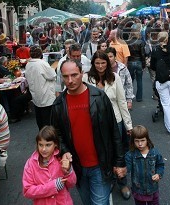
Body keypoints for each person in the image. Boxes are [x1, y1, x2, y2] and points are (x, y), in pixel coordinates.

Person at [50, 60, 126, 205]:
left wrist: (120, 162)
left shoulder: (99, 97)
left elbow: (113, 131)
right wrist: (64, 151)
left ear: (82, 74)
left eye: (74, 75)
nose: (70, 80)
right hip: (77, 167)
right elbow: (57, 135)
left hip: (100, 165)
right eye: (65, 76)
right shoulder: (58, 105)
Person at [87, 50, 133, 200]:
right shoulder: (87, 79)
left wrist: (128, 125)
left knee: (119, 153)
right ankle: (108, 180)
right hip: (95, 123)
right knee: (102, 153)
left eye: (103, 63)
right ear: (93, 64)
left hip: (116, 122)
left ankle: (122, 182)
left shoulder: (115, 78)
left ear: (108, 63)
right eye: (97, 63)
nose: (100, 66)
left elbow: (121, 102)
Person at [22, 125, 77, 205]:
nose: (44, 149)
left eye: (48, 145)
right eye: (40, 145)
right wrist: (52, 186)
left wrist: (68, 171)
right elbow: (27, 191)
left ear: (55, 144)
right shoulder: (31, 164)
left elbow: (72, 183)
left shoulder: (60, 159)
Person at [150, 31, 170, 135]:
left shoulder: (155, 50)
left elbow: (153, 66)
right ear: (167, 39)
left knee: (165, 104)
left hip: (161, 80)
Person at [125, 125, 165, 205]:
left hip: (153, 189)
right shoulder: (130, 155)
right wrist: (122, 170)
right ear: (133, 141)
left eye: (142, 140)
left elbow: (160, 165)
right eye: (137, 141)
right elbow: (127, 169)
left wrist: (158, 174)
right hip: (138, 190)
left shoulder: (155, 153)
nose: (140, 144)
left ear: (147, 140)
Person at [25, 45, 57, 130]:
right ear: (40, 54)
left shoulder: (28, 64)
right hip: (45, 94)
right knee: (47, 119)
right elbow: (52, 75)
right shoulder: (42, 63)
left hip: (36, 94)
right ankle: (48, 136)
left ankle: (41, 133)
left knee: (39, 117)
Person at [126, 28, 146, 102]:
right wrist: (144, 65)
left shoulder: (128, 42)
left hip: (130, 62)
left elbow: (127, 54)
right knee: (139, 80)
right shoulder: (140, 42)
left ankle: (129, 96)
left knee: (129, 81)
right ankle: (139, 97)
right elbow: (143, 54)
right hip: (138, 62)